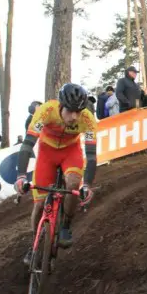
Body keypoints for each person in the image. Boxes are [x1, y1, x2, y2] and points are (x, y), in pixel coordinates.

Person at [15, 83, 98, 266]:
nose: (74, 116)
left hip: (70, 152)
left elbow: (91, 157)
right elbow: (28, 144)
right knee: (39, 205)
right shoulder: (46, 110)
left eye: (79, 111)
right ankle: (34, 244)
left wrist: (87, 185)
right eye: (70, 111)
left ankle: (66, 225)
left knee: (74, 183)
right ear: (61, 105)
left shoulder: (88, 119)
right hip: (47, 153)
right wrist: (21, 176)